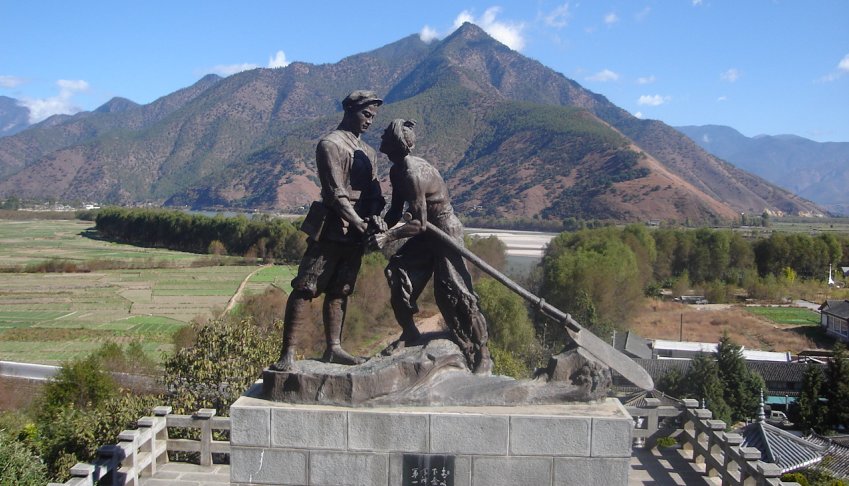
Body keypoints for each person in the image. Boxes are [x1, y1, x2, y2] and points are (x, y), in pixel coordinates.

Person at [271, 90, 386, 371]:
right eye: (365, 114)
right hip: (332, 226)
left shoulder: (369, 153)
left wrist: (376, 220)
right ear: (349, 109)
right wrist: (357, 222)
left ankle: (334, 348)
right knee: (306, 286)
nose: (369, 121)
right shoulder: (330, 145)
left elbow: (373, 194)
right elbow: (335, 193)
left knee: (341, 289)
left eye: (373, 117)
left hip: (356, 232)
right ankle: (288, 352)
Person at [370, 119, 492, 375]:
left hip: (444, 231)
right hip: (427, 233)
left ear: (394, 143)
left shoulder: (413, 173)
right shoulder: (397, 171)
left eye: (384, 136)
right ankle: (410, 333)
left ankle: (483, 354)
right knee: (397, 271)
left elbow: (420, 224)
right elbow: (395, 211)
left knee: (457, 294)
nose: (379, 138)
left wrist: (387, 238)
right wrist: (381, 226)